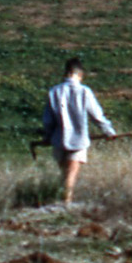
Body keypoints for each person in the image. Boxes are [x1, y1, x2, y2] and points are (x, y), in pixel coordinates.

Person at [41, 57, 116, 206]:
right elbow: (96, 115)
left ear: (66, 73)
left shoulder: (54, 92)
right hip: (78, 139)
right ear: (80, 75)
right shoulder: (84, 92)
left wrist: (47, 136)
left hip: (58, 138)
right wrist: (109, 131)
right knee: (72, 173)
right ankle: (66, 203)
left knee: (65, 173)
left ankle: (63, 199)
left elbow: (48, 120)